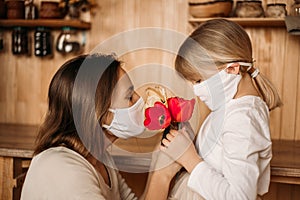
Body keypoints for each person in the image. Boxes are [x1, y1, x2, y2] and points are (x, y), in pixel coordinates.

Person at [159, 19, 282, 199]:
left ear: (232, 69)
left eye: (199, 81)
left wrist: (189, 159)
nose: (196, 90)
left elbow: (239, 196)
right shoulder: (230, 107)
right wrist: (191, 145)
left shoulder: (243, 118)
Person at [21, 54, 146, 199]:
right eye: (129, 96)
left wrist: (163, 170)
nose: (138, 99)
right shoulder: (61, 168)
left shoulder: (101, 158)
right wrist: (162, 174)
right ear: (100, 111)